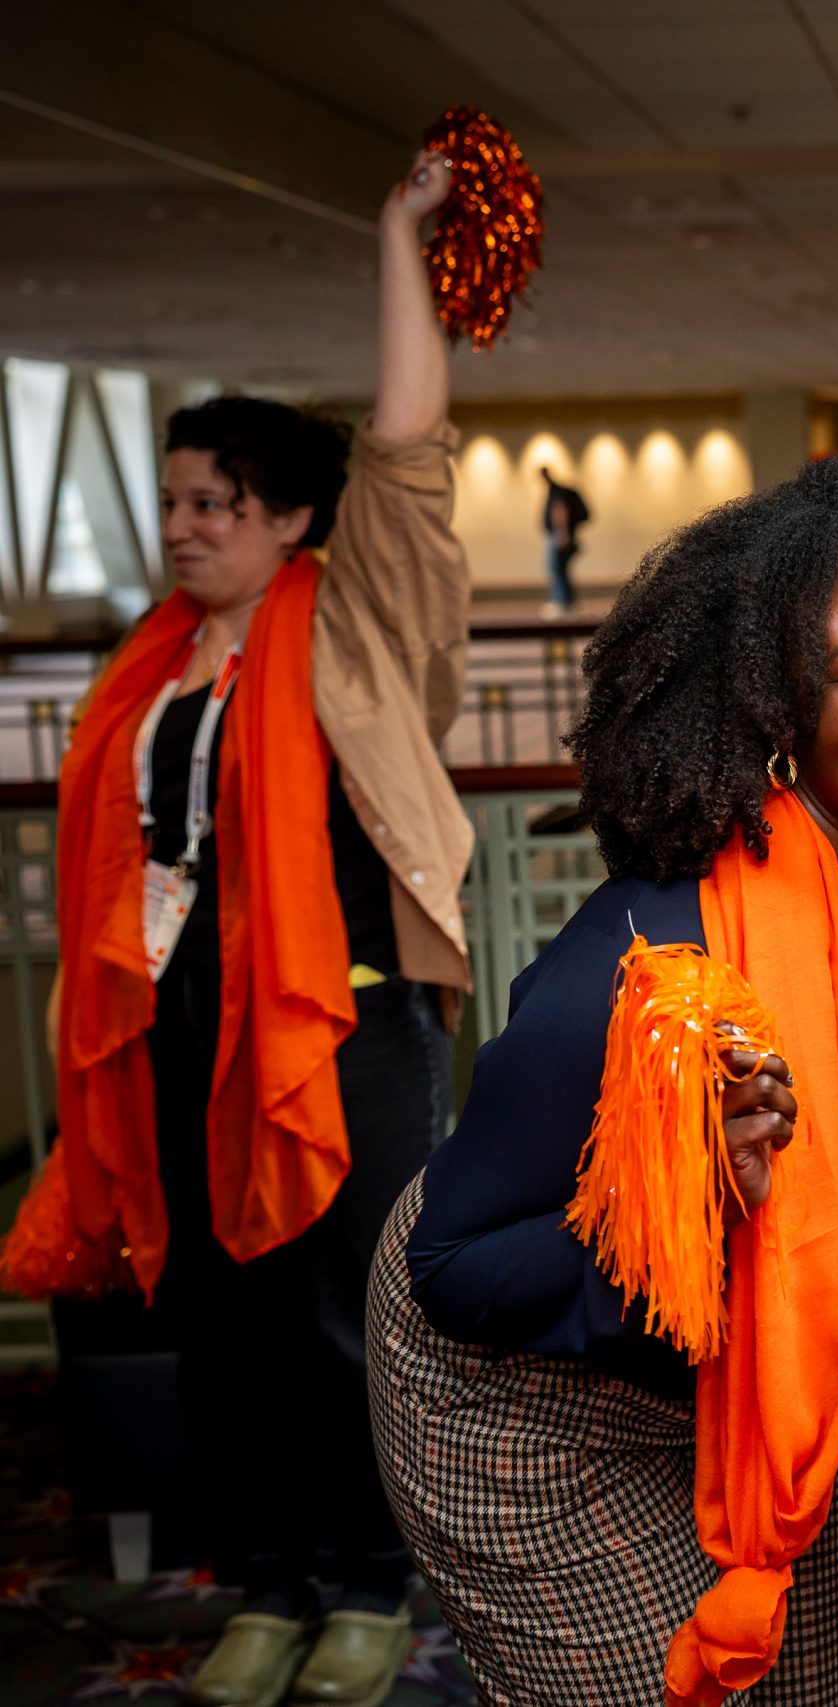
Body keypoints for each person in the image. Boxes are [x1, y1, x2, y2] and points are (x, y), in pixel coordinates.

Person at [366, 447, 838, 1705]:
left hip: (770, 1392)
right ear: (771, 715)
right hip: (530, 1405)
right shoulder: (651, 964)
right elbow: (458, 1272)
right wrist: (694, 1208)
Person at [0, 151, 477, 1707]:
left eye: (216, 503)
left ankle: (366, 1582)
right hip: (178, 1026)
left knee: (348, 1320)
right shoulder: (152, 665)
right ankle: (264, 1583)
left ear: (287, 517)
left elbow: (404, 445)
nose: (186, 526)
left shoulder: (352, 619)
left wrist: (394, 229)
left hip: (341, 1014)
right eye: (175, 501)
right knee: (221, 1323)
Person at [538, 465, 589, 615]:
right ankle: (567, 601)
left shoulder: (557, 492)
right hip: (562, 535)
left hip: (559, 536)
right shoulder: (557, 491)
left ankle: (562, 602)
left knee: (556, 568)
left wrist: (562, 533)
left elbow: (560, 511)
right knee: (561, 569)